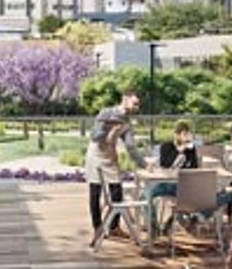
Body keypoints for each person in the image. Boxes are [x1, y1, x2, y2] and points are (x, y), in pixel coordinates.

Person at [85, 92, 141, 247]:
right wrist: (108, 129)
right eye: (135, 103)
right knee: (95, 191)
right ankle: (97, 227)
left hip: (110, 154)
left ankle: (114, 226)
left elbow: (130, 147)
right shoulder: (106, 113)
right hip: (96, 154)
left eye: (138, 104)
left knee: (117, 190)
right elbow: (94, 136)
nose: (137, 107)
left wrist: (143, 164)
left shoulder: (127, 122)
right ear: (125, 99)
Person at [147, 121, 201, 231]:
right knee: (146, 195)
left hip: (183, 186)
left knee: (186, 200)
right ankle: (154, 226)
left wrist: (187, 150)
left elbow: (194, 167)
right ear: (176, 135)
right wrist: (178, 151)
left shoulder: (190, 149)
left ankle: (180, 219)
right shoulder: (166, 146)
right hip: (167, 183)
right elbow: (164, 164)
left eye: (187, 134)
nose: (186, 137)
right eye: (183, 134)